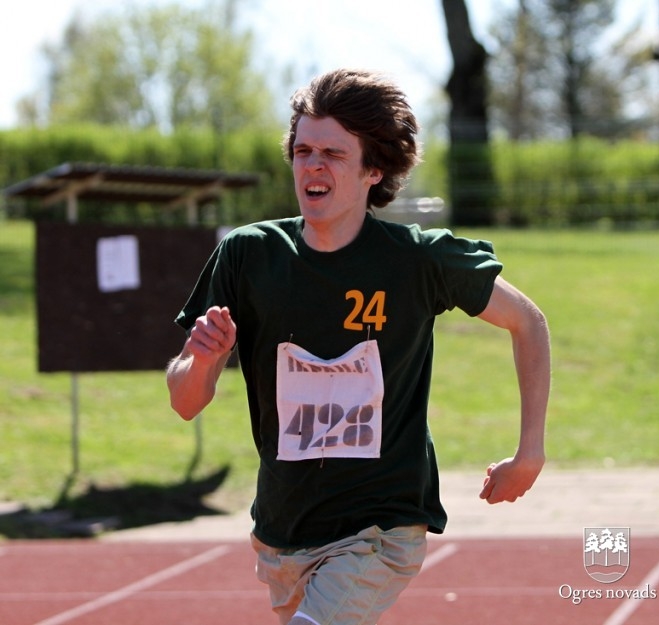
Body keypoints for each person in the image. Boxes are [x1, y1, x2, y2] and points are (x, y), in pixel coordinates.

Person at [166, 68, 551, 625]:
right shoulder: (250, 255)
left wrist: (530, 451)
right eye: (302, 150)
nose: (312, 165)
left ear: (374, 169)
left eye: (333, 153)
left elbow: (528, 321)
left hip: (380, 525)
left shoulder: (416, 261)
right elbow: (185, 401)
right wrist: (202, 358)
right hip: (283, 533)